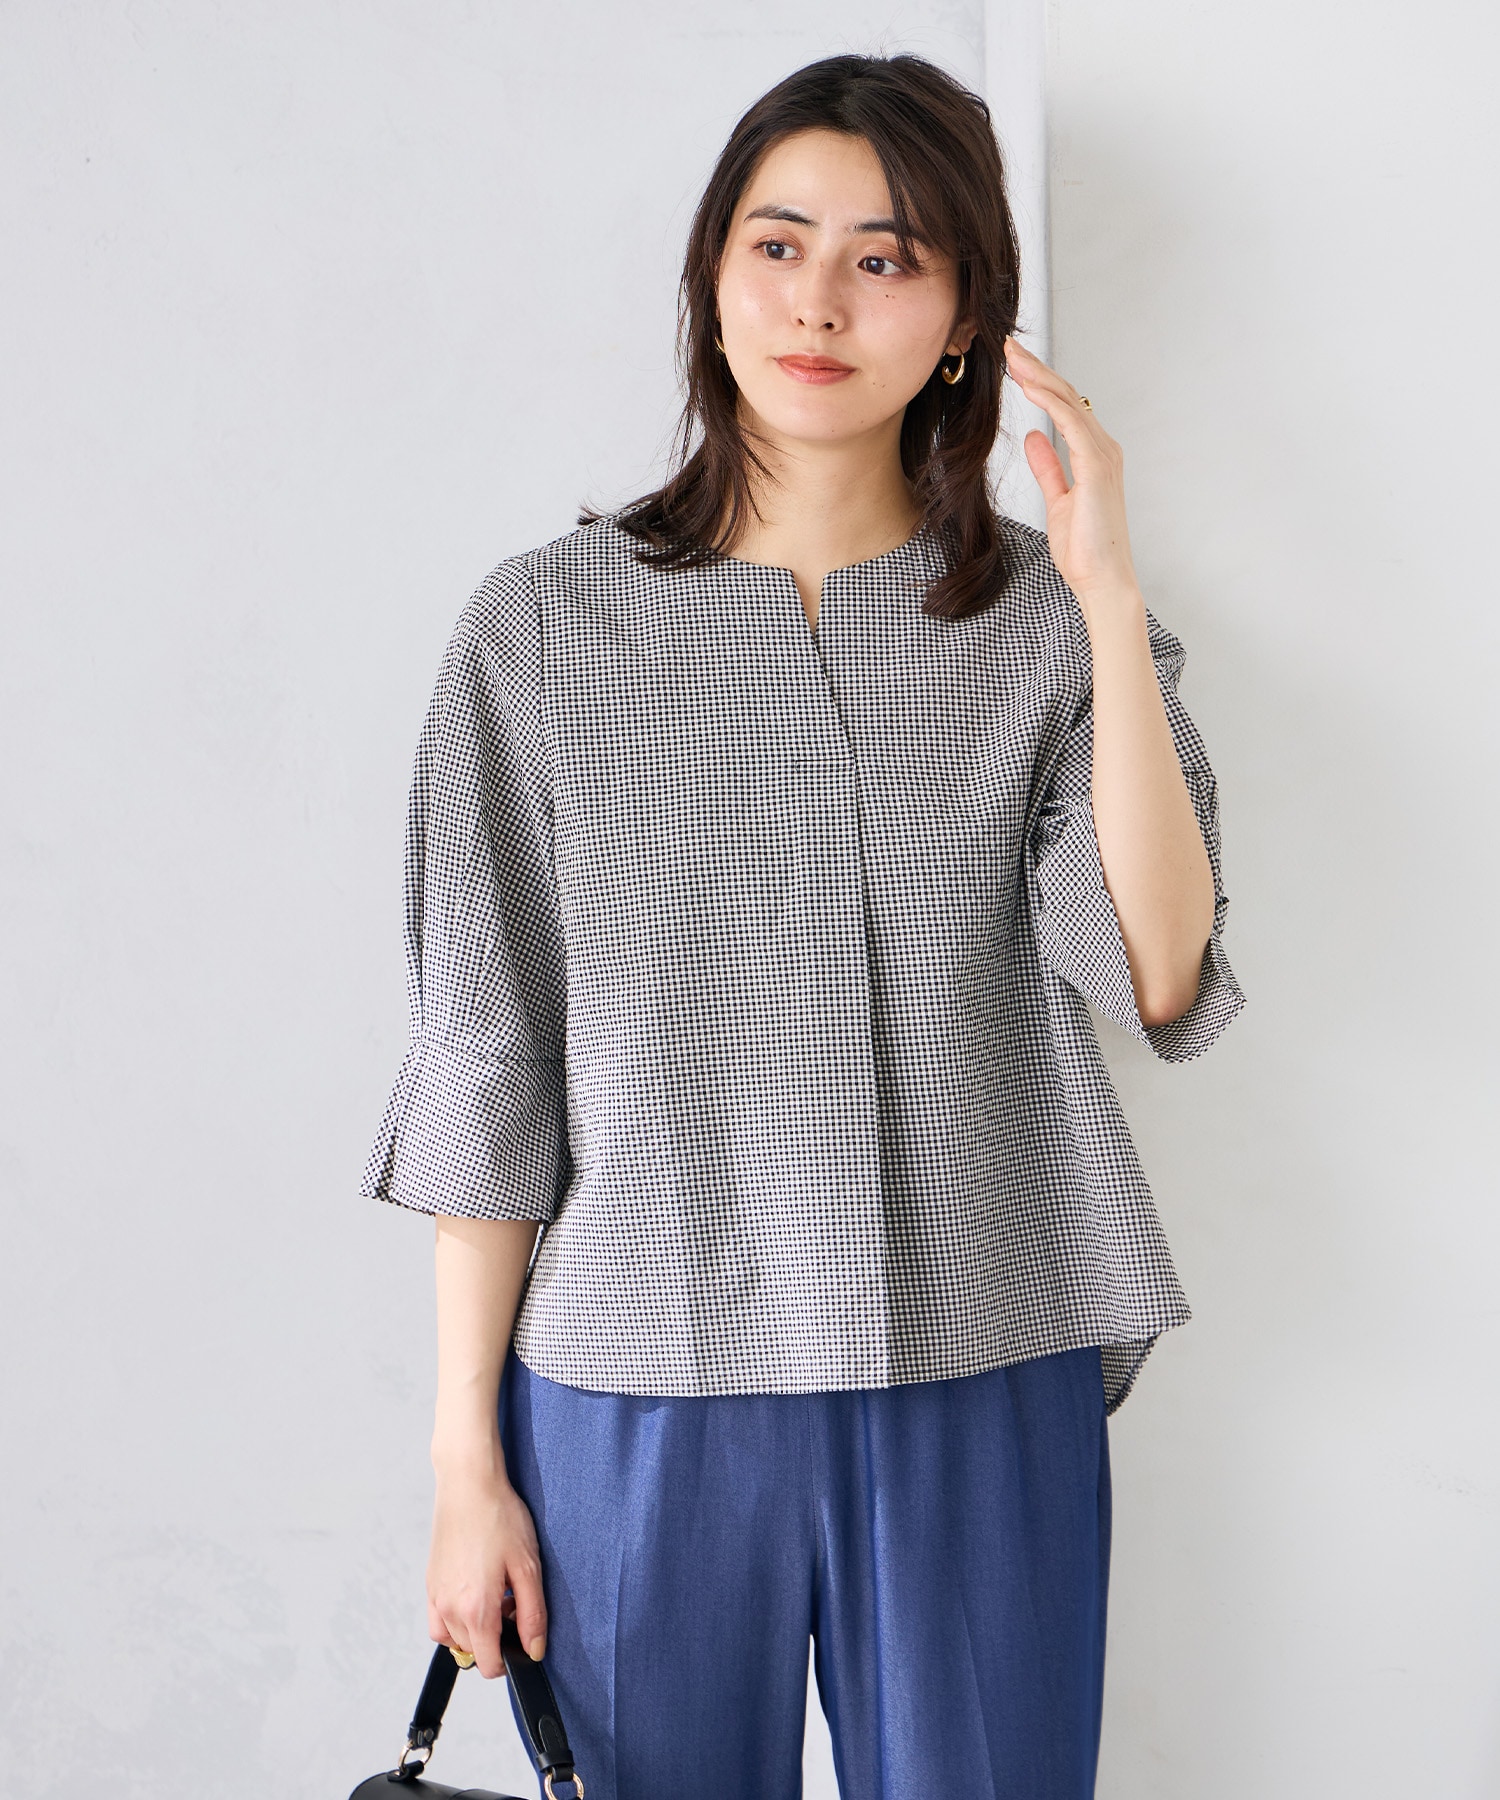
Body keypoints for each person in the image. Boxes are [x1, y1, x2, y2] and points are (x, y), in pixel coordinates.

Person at [359, 51, 1245, 1800]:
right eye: (778, 245)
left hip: (978, 1361)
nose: (819, 301)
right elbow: (485, 1055)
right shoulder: (538, 632)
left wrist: (1108, 594)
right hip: (635, 1385)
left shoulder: (1047, 628)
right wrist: (465, 1460)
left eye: (885, 257)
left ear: (967, 315)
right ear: (714, 273)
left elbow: (1156, 966)